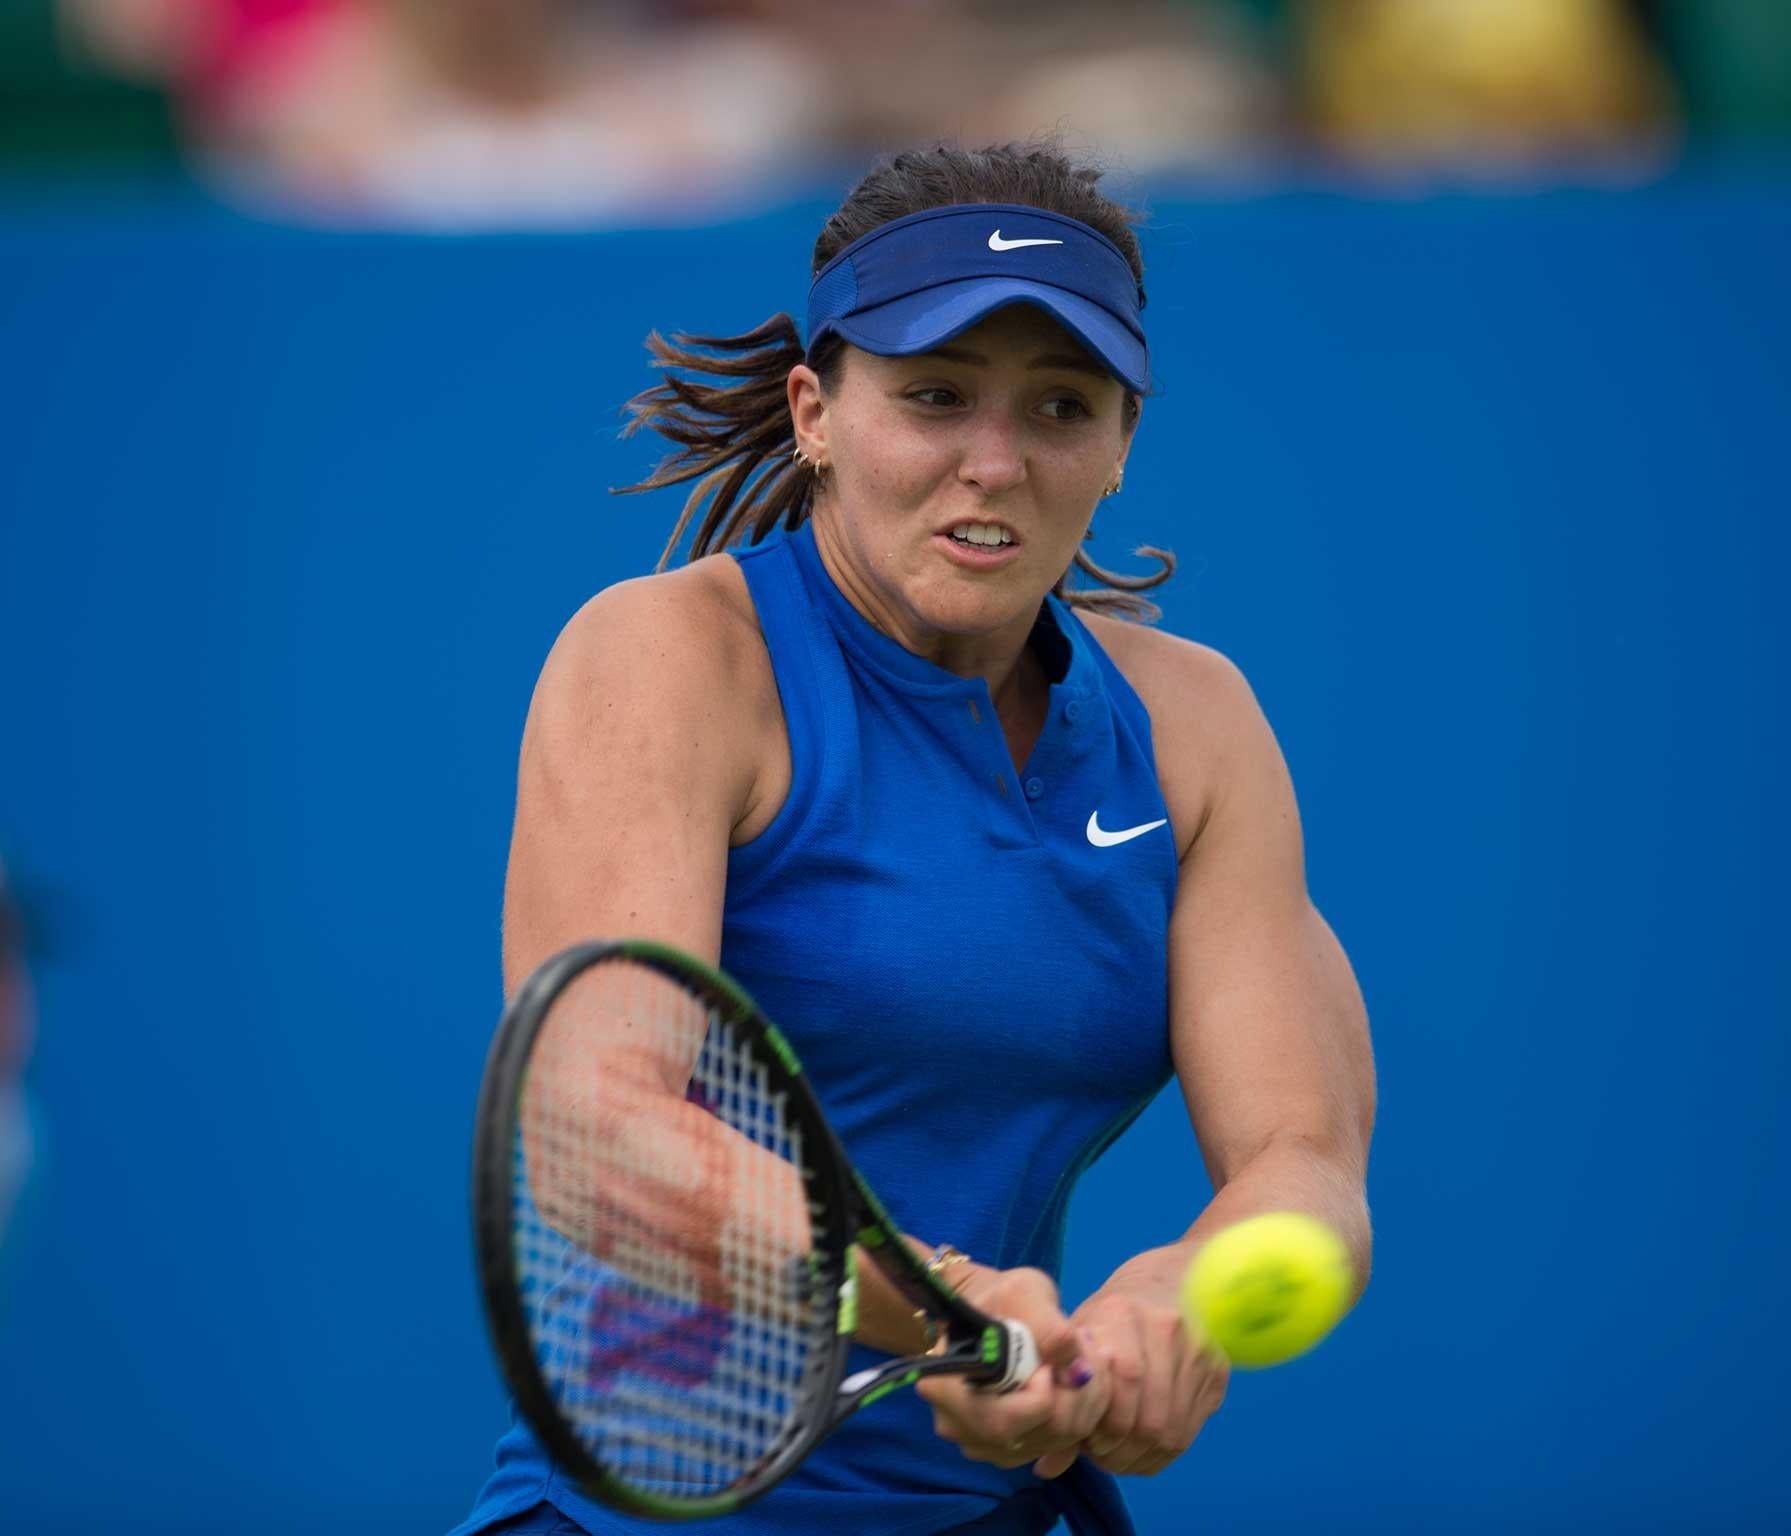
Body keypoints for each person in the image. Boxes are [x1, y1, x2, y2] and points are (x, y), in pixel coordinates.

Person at [452, 140, 1377, 1536]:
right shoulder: (672, 661)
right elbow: (599, 1136)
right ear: (816, 411)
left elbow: (1306, 1158)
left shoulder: (1196, 728)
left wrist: (1174, 1303)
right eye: (935, 395)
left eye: (1061, 406)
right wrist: (938, 1307)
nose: (993, 464)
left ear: (1122, 445)